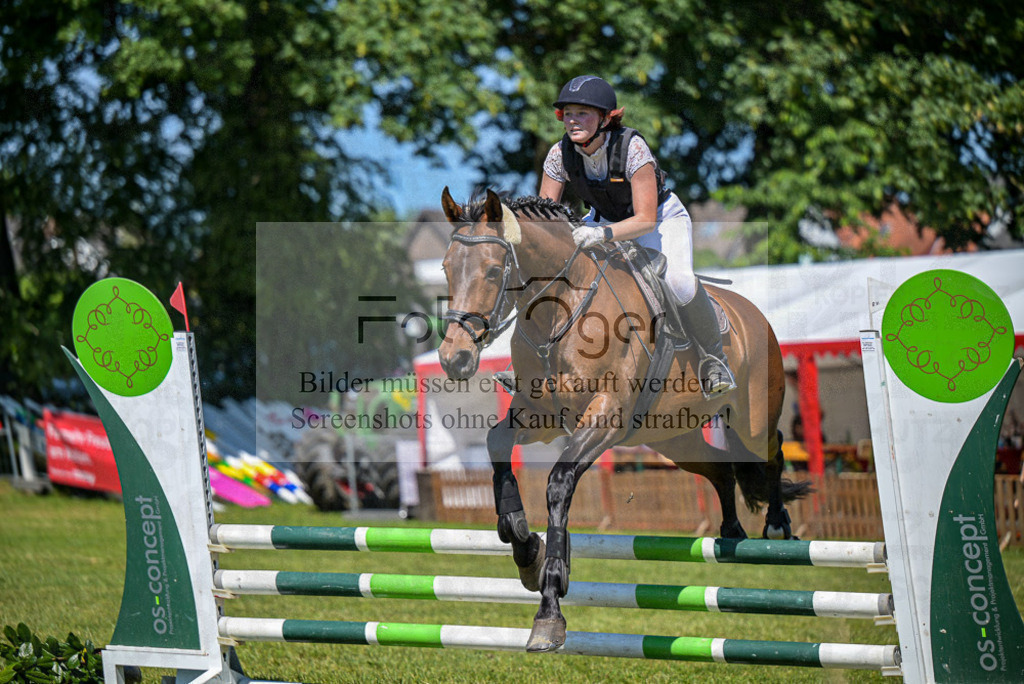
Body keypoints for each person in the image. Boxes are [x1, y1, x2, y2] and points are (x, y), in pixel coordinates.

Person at [539, 75, 735, 395]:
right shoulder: (559, 154)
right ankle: (537, 363)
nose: (573, 120)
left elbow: (644, 219)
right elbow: (547, 215)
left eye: (583, 113)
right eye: (568, 113)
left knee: (679, 282)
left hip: (658, 220)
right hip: (601, 222)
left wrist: (601, 234)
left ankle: (714, 359)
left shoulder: (632, 148)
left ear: (606, 117)